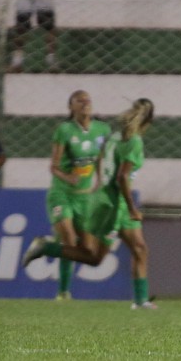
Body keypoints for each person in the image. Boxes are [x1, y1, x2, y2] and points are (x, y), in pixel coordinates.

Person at [24, 98, 157, 309]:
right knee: (94, 258)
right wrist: (132, 208)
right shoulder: (135, 142)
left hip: (109, 200)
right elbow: (122, 177)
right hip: (113, 206)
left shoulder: (114, 137)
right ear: (148, 122)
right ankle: (47, 248)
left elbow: (99, 160)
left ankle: (140, 301)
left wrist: (98, 184)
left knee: (140, 248)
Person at [45, 90, 110, 300]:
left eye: (87, 99)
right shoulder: (64, 130)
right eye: (79, 100)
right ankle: (63, 292)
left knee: (89, 251)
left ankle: (47, 248)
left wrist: (100, 181)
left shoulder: (102, 129)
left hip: (85, 197)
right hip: (61, 193)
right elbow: (53, 167)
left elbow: (100, 157)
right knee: (69, 239)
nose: (84, 103)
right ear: (71, 107)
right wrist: (67, 177)